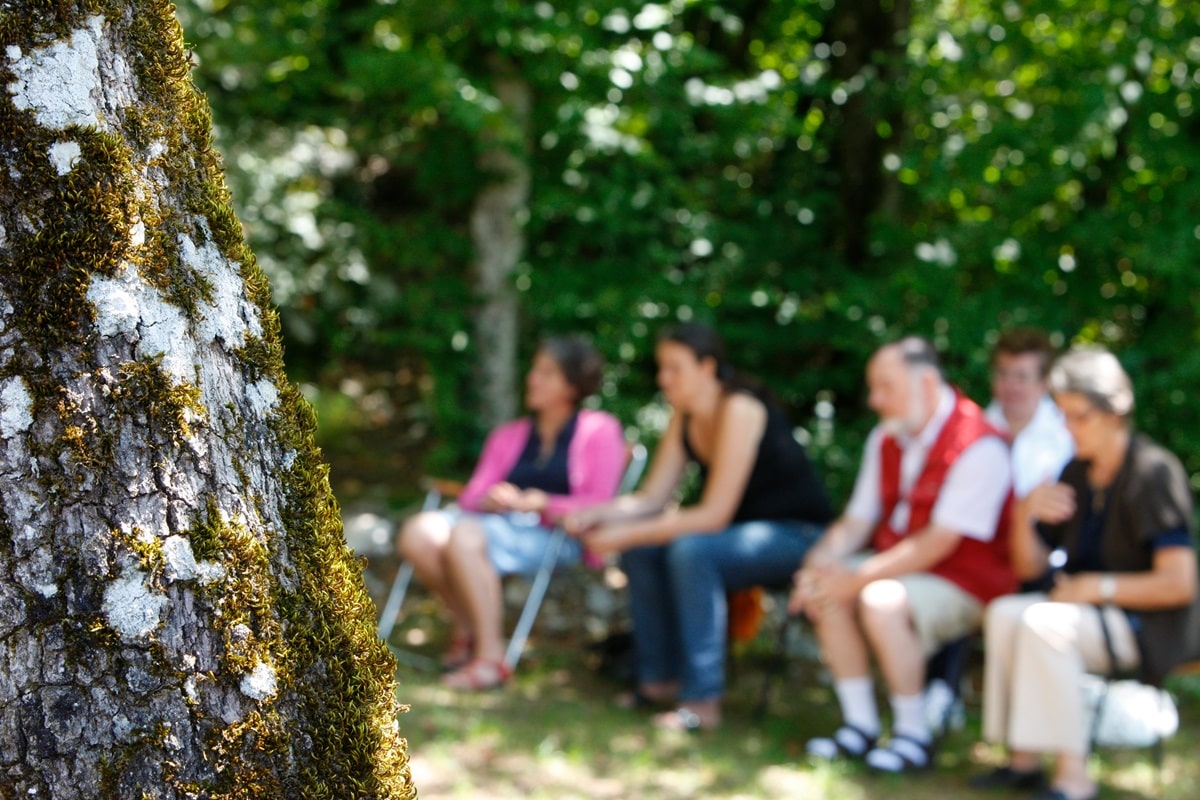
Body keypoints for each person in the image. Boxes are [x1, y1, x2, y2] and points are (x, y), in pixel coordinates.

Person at [563, 322, 832, 731]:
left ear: (707, 368)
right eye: (661, 367)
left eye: (675, 368)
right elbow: (651, 498)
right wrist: (599, 514)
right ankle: (658, 679)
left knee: (691, 550)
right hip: (739, 536)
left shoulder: (740, 409)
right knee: (644, 549)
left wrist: (626, 533)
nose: (663, 378)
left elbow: (714, 515)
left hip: (799, 535)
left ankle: (702, 702)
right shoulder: (684, 416)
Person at [972, 346, 1200, 800]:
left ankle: (1073, 777)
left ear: (1114, 413)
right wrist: (1023, 516)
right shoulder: (1076, 472)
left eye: (1079, 417)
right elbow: (1029, 568)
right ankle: (1024, 759)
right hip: (1088, 615)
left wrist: (1098, 587)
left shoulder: (1153, 473)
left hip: (1152, 626)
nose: (1068, 428)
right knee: (1005, 613)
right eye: (1063, 416)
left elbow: (1179, 584)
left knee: (1043, 624)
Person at [789, 336, 1015, 772]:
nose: (875, 400)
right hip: (903, 569)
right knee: (824, 585)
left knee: (880, 600)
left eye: (885, 387)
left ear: (926, 383)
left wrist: (856, 579)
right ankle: (860, 726)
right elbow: (856, 522)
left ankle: (913, 735)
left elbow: (938, 543)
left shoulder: (979, 444)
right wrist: (816, 563)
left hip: (966, 581)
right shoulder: (887, 437)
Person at [397, 336, 627, 690]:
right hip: (493, 524)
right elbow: (473, 493)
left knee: (465, 534)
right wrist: (491, 498)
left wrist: (544, 503)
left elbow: (601, 503)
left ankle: (489, 658)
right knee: (418, 532)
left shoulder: (600, 431)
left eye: (546, 373)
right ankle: (469, 625)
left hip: (555, 534)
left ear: (572, 384)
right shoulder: (511, 434)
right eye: (535, 369)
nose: (532, 378)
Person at [986, 327, 1074, 501]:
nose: (1010, 385)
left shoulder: (1068, 436)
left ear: (1044, 383)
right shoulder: (975, 430)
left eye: (1021, 377)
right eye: (1003, 374)